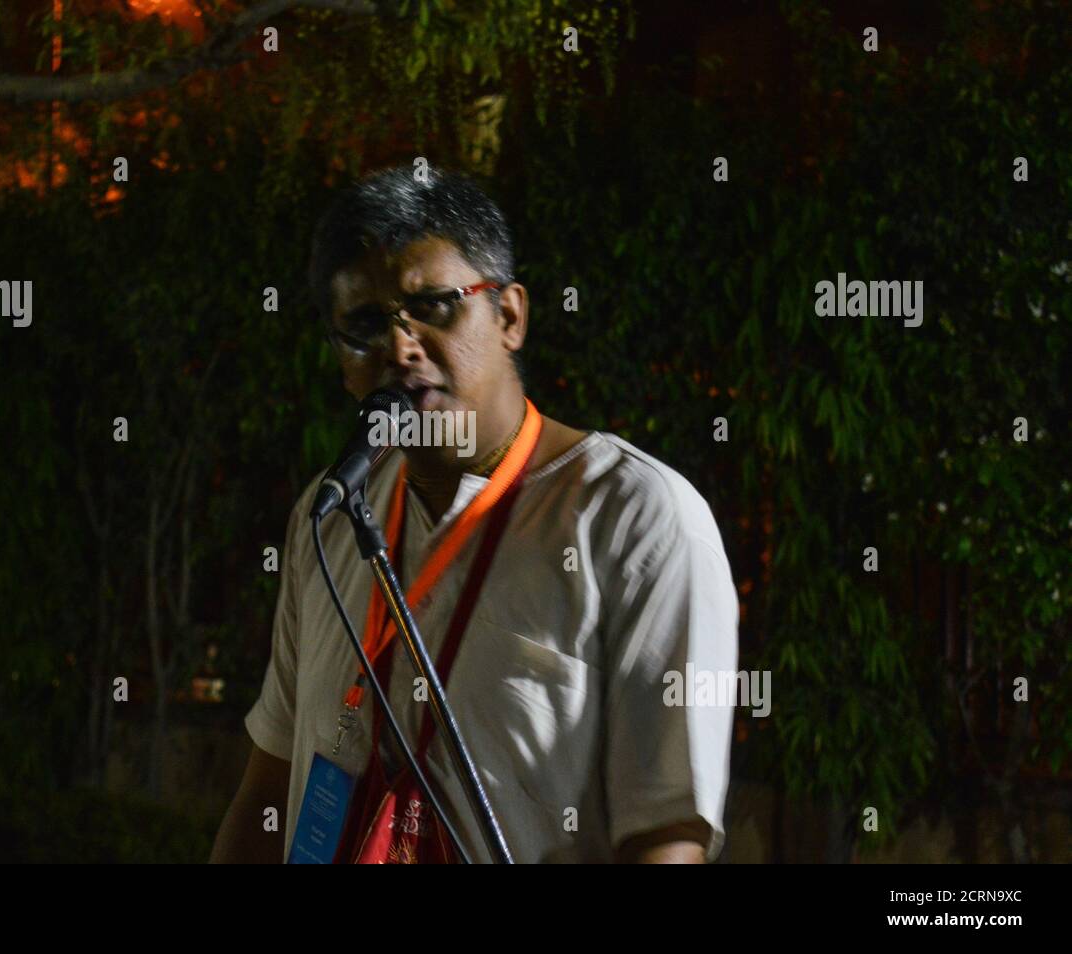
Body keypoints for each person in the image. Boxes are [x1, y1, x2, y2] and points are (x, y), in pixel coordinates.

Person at [209, 165, 738, 863]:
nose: (402, 347)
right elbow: (269, 784)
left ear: (510, 316)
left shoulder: (636, 519)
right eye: (366, 325)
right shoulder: (331, 511)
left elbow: (667, 839)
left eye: (434, 306)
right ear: (342, 363)